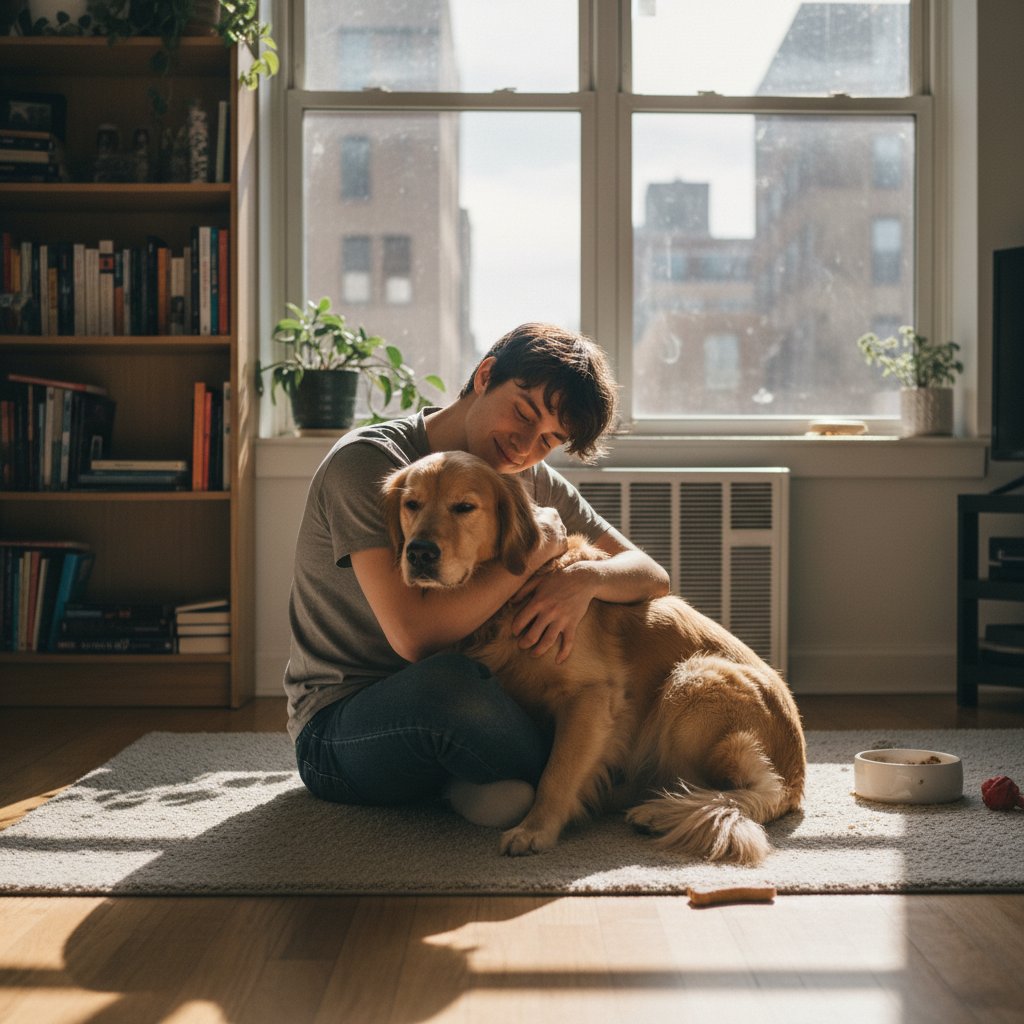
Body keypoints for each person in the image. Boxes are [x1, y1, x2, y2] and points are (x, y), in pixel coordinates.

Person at [285, 322, 670, 828]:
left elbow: (650, 574)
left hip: (481, 701)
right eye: (524, 412)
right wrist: (538, 552)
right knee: (450, 687)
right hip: (344, 725)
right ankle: (587, 778)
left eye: (550, 438)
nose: (525, 445)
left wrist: (586, 581)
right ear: (486, 375)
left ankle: (485, 783)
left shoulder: (525, 477)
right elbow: (416, 638)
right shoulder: (370, 465)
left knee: (576, 691)